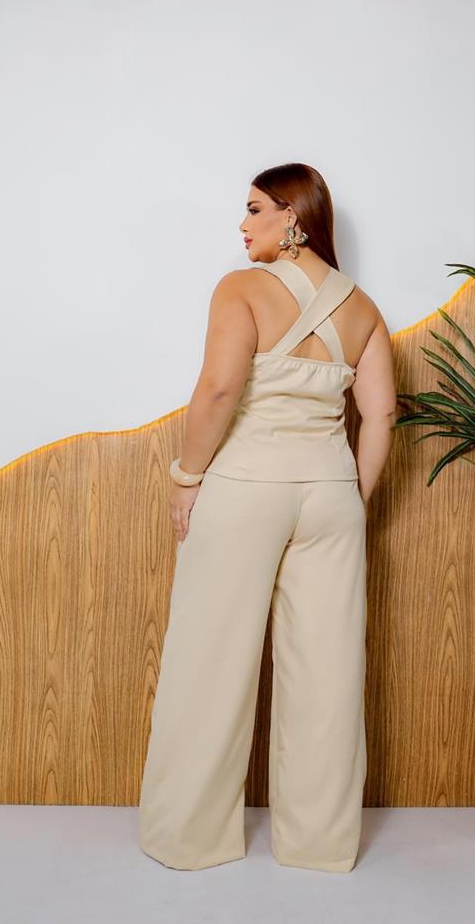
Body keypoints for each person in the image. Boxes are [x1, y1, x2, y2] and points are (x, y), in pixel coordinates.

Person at [138, 162, 397, 873]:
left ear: (293, 217)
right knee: (328, 674)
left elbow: (219, 389)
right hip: (331, 492)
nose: (242, 224)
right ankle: (319, 845)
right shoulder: (363, 308)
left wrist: (186, 477)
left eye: (254, 209)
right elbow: (380, 416)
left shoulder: (241, 289)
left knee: (210, 661)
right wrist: (351, 499)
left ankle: (189, 838)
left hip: (246, 486)